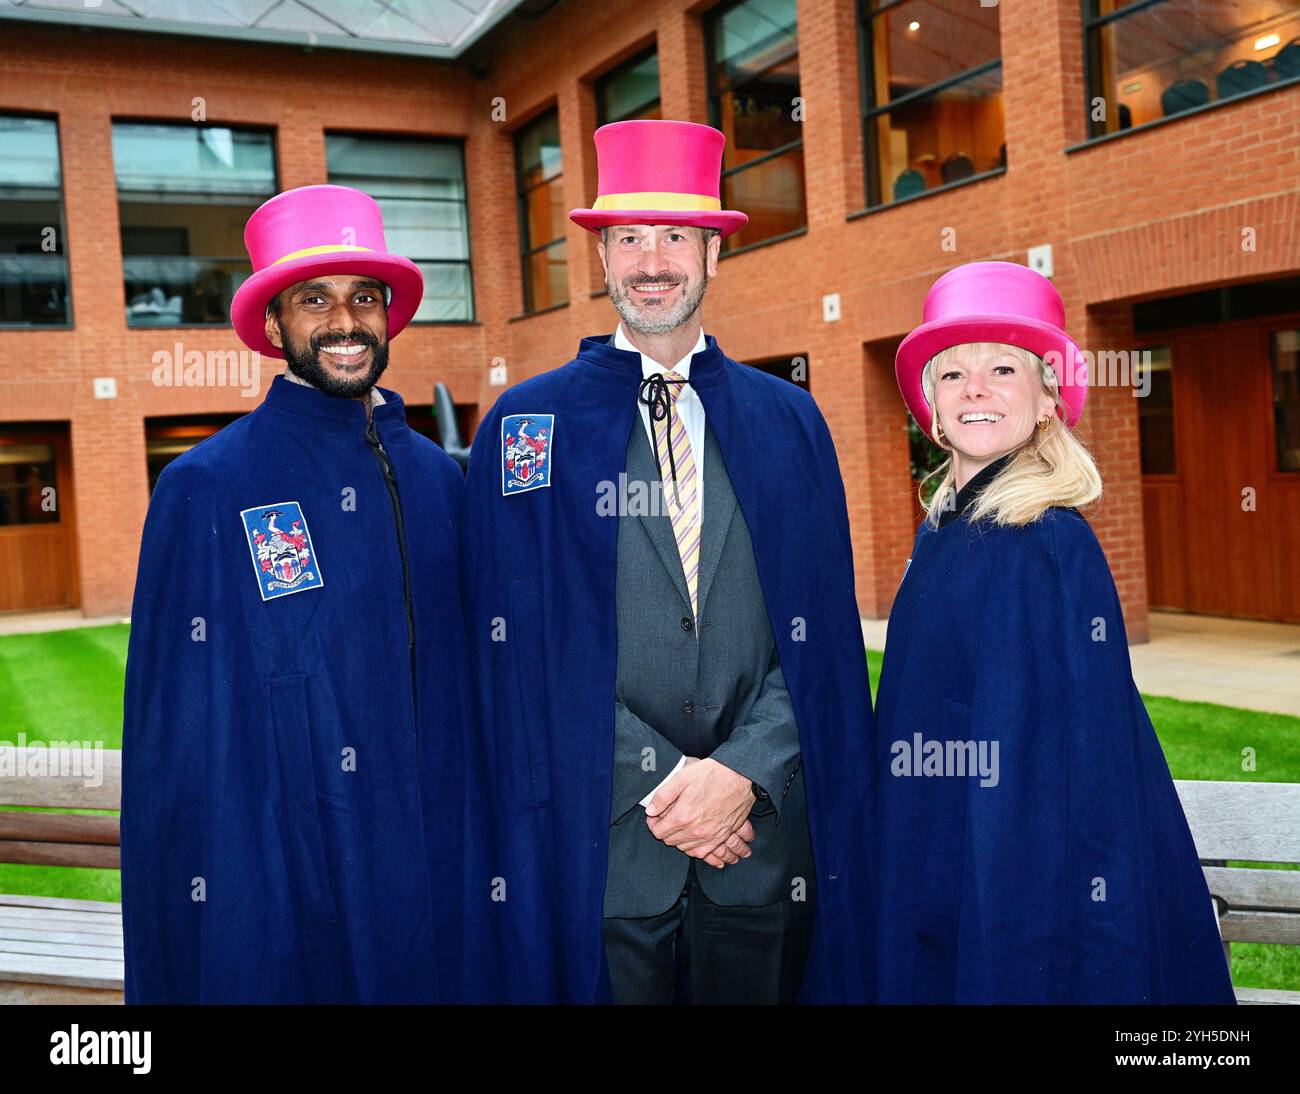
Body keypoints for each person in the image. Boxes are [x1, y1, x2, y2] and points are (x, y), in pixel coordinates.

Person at [461, 119, 876, 1004]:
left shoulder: (789, 422)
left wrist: (739, 777)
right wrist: (667, 783)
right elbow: (513, 645)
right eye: (629, 238)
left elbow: (822, 637)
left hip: (757, 843)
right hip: (602, 843)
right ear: (602, 259)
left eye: (676, 236)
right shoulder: (524, 428)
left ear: (714, 254)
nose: (654, 260)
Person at [120, 184, 477, 1003]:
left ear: (389, 315)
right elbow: (178, 745)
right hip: (296, 893)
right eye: (313, 299)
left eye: (363, 298)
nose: (344, 321)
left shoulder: (440, 483)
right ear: (274, 325)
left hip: (441, 880)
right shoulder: (206, 488)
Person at [877, 259, 1236, 1003]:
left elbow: (1055, 775)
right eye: (953, 375)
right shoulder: (949, 531)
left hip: (1015, 895)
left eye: (1003, 368)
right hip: (941, 861)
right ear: (933, 411)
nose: (975, 387)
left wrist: (1006, 936)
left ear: (1046, 401)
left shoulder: (1043, 541)